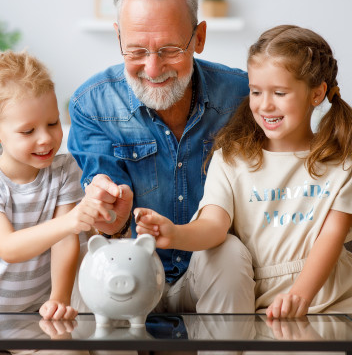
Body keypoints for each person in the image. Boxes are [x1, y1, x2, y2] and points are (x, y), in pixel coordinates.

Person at [68, 0, 255, 314]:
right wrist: (113, 218)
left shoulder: (242, 96)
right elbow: (107, 215)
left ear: (198, 38)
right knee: (90, 264)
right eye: (136, 51)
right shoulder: (91, 104)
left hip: (208, 267)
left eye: (169, 50)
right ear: (118, 38)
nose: (153, 70)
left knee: (230, 253)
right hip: (132, 266)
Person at [136, 24, 352, 318]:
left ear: (317, 94)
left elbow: (332, 237)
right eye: (255, 92)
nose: (265, 105)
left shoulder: (341, 165)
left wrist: (299, 296)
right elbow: (213, 227)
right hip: (256, 305)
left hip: (329, 303)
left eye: (279, 92)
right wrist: (174, 234)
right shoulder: (231, 160)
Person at [0, 50, 110, 320]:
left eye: (53, 123)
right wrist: (72, 221)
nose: (45, 138)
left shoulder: (63, 171)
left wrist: (58, 300)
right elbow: (8, 248)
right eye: (28, 131)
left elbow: (64, 242)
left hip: (29, 316)